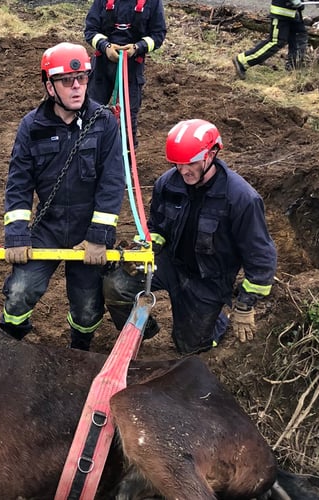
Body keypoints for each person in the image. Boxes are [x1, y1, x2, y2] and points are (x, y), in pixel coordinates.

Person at [103, 119, 277, 355]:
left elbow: (261, 257)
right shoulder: (167, 183)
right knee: (116, 286)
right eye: (178, 163)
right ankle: (142, 330)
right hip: (170, 264)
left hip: (208, 280)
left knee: (191, 348)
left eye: (192, 163)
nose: (184, 171)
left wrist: (245, 305)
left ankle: (216, 320)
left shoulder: (241, 198)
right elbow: (156, 226)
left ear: (212, 154)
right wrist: (146, 249)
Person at [0, 42, 125, 352]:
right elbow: (19, 183)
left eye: (82, 78)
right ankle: (11, 343)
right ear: (49, 86)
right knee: (19, 292)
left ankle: (80, 346)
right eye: (67, 81)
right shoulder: (32, 126)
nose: (77, 87)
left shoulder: (105, 123)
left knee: (87, 307)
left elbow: (112, 184)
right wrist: (16, 235)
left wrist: (99, 237)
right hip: (48, 227)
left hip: (88, 231)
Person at [84, 0, 166, 148]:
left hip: (132, 69)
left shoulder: (152, 2)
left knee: (127, 120)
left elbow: (158, 35)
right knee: (90, 113)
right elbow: (90, 31)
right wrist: (105, 46)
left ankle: (126, 162)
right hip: (102, 68)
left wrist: (137, 47)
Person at [232, 0, 307, 80]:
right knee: (276, 42)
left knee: (298, 38)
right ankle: (243, 61)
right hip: (281, 13)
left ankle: (293, 72)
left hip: (294, 13)